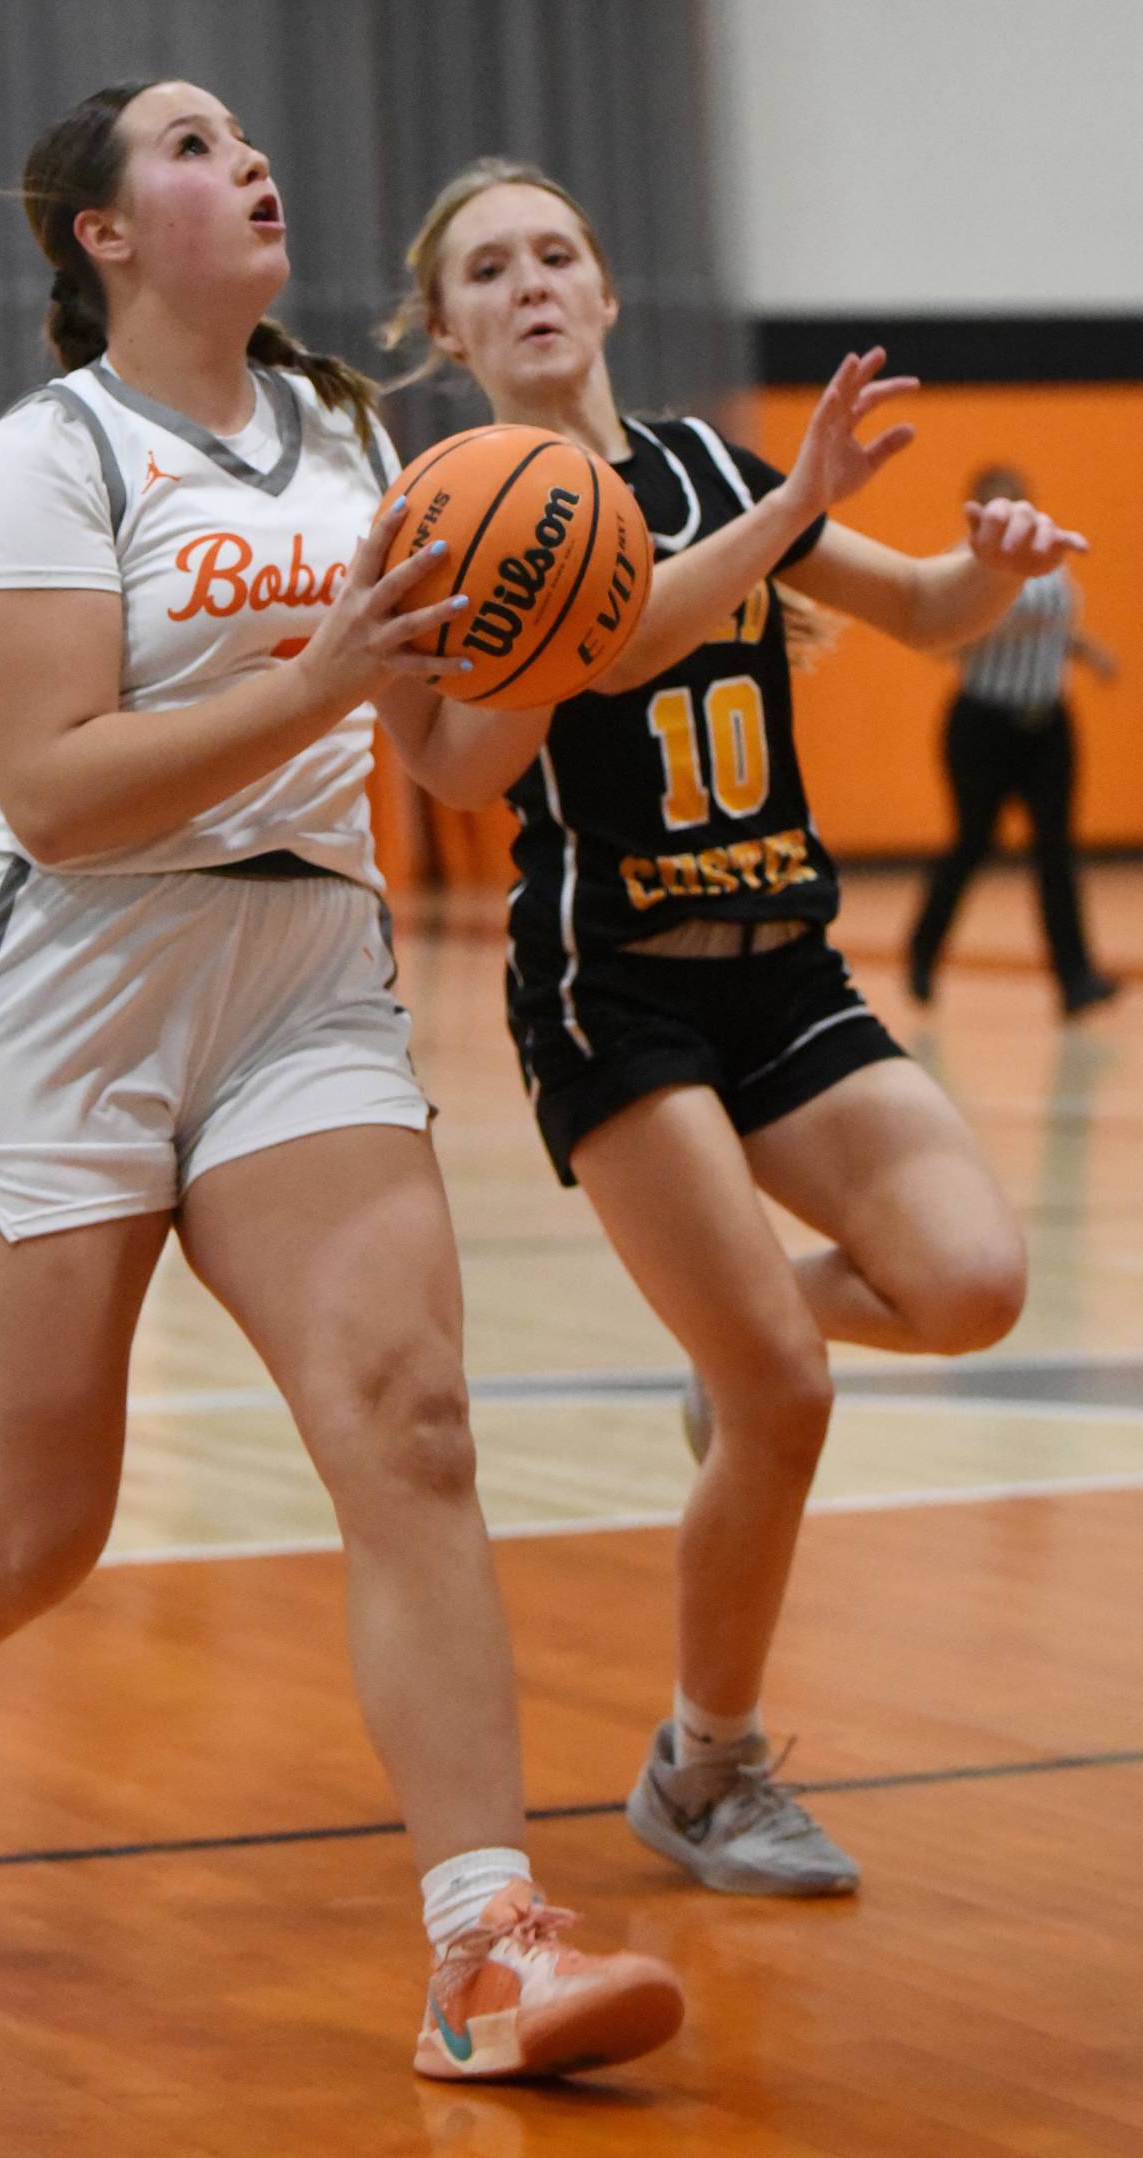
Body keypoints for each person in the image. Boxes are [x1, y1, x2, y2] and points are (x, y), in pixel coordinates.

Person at [0, 85, 687, 2083]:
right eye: (190, 145)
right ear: (101, 232)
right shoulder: (54, 453)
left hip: (298, 970)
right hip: (68, 982)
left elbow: (445, 765)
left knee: (416, 1417)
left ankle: (483, 1939)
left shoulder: (367, 439)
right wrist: (320, 678)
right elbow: (55, 790)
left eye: (248, 137)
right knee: (38, 1522)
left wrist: (564, 611)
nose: (248, 158)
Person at [378, 158, 1085, 1897]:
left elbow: (915, 610)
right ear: (450, 328)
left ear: (608, 293)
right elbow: (466, 759)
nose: (532, 280)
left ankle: (730, 1351)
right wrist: (787, 521)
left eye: (559, 251)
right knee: (788, 1384)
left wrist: (988, 565)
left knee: (973, 1279)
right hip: (609, 985)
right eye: (490, 267)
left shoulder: (701, 463)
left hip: (786, 966)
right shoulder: (446, 512)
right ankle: (709, 1767)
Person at [907, 462, 1119, 1016]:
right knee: (974, 842)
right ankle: (922, 953)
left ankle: (1075, 980)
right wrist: (987, 602)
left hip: (1048, 723)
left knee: (1055, 848)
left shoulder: (1049, 553)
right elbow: (940, 637)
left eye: (1016, 502)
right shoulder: (960, 563)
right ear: (977, 512)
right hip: (983, 724)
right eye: (996, 506)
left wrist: (1087, 650)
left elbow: (1052, 623)